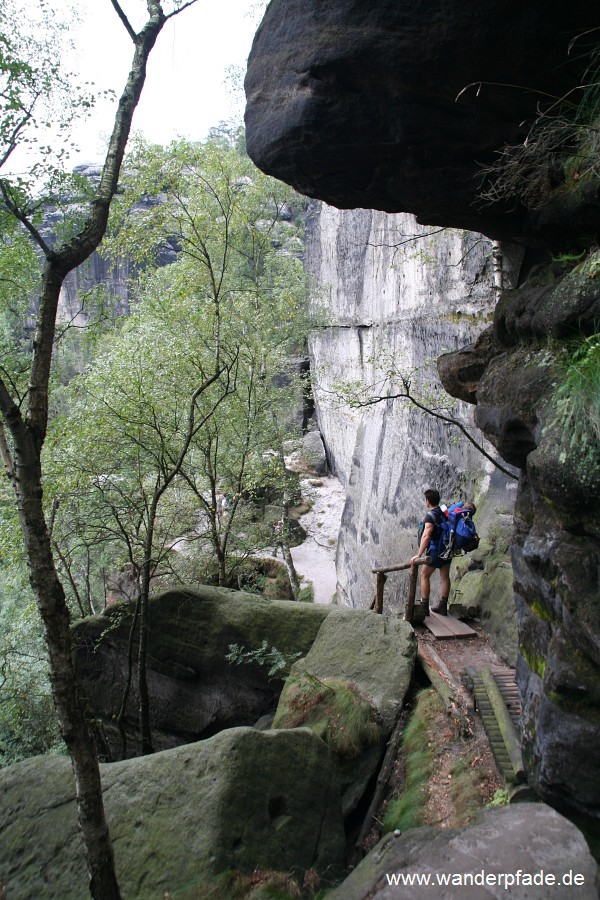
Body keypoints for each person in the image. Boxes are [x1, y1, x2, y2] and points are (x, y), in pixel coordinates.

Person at [410, 488, 451, 616]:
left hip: (435, 551)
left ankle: (424, 607)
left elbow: (426, 535)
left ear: (427, 501)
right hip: (447, 549)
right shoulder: (445, 512)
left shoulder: (430, 515)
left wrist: (419, 554)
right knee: (445, 576)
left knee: (424, 575)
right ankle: (443, 607)